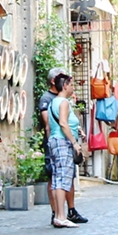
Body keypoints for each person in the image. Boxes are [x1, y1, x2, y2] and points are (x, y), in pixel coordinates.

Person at [38, 68, 87, 223]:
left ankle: (60, 215)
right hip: (61, 142)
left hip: (54, 140)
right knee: (62, 178)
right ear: (65, 85)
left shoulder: (54, 102)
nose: (73, 88)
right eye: (71, 85)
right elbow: (63, 123)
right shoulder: (63, 102)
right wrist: (74, 143)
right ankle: (60, 216)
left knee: (58, 178)